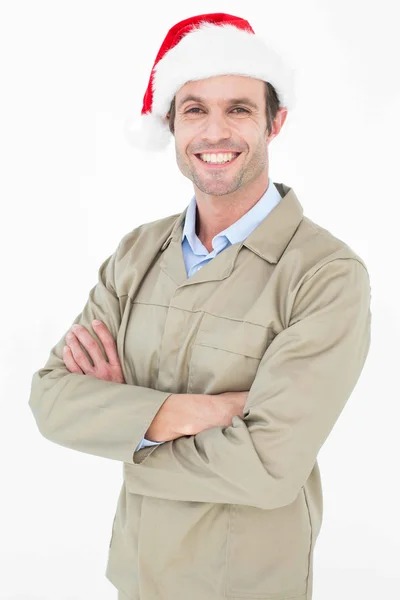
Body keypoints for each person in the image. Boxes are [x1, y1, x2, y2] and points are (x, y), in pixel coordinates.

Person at [28, 12, 372, 600]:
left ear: (274, 122)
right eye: (195, 110)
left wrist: (126, 429)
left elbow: (269, 468)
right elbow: (51, 399)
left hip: (246, 584)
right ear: (172, 123)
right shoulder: (136, 253)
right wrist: (185, 414)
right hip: (136, 576)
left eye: (238, 108)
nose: (215, 133)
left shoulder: (325, 275)